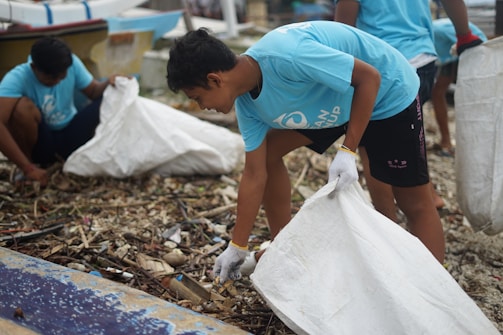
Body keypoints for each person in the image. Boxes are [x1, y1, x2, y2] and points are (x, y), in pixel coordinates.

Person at [167, 21, 445, 283]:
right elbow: (254, 174)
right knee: (267, 154)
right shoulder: (248, 106)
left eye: (197, 98)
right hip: (332, 101)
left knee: (413, 201)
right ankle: (283, 248)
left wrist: (348, 150)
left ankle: (434, 291)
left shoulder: (287, 56)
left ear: (215, 79)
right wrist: (237, 245)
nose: (201, 107)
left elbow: (369, 78)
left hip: (386, 92)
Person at [334, 0, 484, 223]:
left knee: (373, 151)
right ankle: (427, 198)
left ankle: (388, 224)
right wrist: (463, 34)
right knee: (409, 139)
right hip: (421, 61)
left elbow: (344, 27)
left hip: (381, 65)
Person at [0, 36, 119, 186]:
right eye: (51, 78)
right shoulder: (17, 78)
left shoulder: (71, 63)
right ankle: (32, 168)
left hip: (71, 133)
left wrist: (109, 82)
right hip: (41, 144)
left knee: (110, 98)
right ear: (34, 68)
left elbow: (94, 91)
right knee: (22, 108)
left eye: (62, 77)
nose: (57, 81)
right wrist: (27, 167)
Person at [431, 18, 487, 156]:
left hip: (471, 50)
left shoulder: (438, 30)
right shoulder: (427, 35)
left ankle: (475, 144)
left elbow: (474, 43)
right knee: (437, 93)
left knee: (473, 98)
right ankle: (446, 141)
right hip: (451, 56)